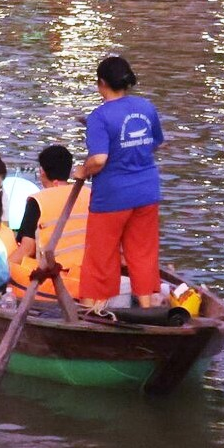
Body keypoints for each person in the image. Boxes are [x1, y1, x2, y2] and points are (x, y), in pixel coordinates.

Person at [74, 56, 164, 309]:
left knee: (101, 256)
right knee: (143, 253)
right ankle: (148, 309)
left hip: (112, 197)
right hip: (147, 191)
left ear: (101, 83)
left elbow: (100, 159)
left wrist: (83, 170)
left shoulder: (99, 117)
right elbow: (156, 142)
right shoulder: (146, 107)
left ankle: (94, 310)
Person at [9, 144, 90, 299]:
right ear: (70, 170)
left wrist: (0, 269)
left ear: (42, 172)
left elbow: (27, 248)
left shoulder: (38, 200)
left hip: (56, 281)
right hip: (90, 279)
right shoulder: (89, 194)